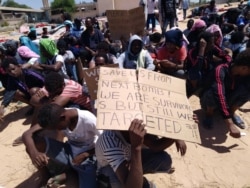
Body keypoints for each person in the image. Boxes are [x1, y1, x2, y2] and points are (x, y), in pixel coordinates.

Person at [22, 103, 102, 188]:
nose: (57, 129)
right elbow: (27, 134)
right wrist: (34, 153)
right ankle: (46, 175)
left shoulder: (88, 119)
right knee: (35, 143)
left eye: (56, 126)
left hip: (88, 157)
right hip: (68, 150)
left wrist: (86, 154)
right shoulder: (53, 117)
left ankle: (69, 172)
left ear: (63, 118)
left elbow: (106, 143)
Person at [95, 119, 186, 188]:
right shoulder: (109, 141)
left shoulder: (137, 126)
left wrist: (176, 133)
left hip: (130, 158)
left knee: (164, 160)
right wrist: (136, 147)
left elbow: (155, 146)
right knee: (122, 183)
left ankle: (138, 177)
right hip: (110, 168)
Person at [200, 49, 250, 138]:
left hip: (227, 99)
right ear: (244, 68)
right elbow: (219, 94)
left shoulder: (244, 75)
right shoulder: (221, 70)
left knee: (247, 91)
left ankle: (232, 112)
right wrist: (229, 123)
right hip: (210, 99)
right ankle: (209, 115)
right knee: (213, 92)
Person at [186, 32, 232, 97]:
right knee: (194, 73)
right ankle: (193, 88)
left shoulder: (213, 48)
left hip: (206, 71)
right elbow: (197, 67)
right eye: (211, 43)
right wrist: (202, 50)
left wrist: (230, 55)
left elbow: (225, 57)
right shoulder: (192, 51)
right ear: (203, 43)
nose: (213, 45)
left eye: (213, 42)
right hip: (195, 74)